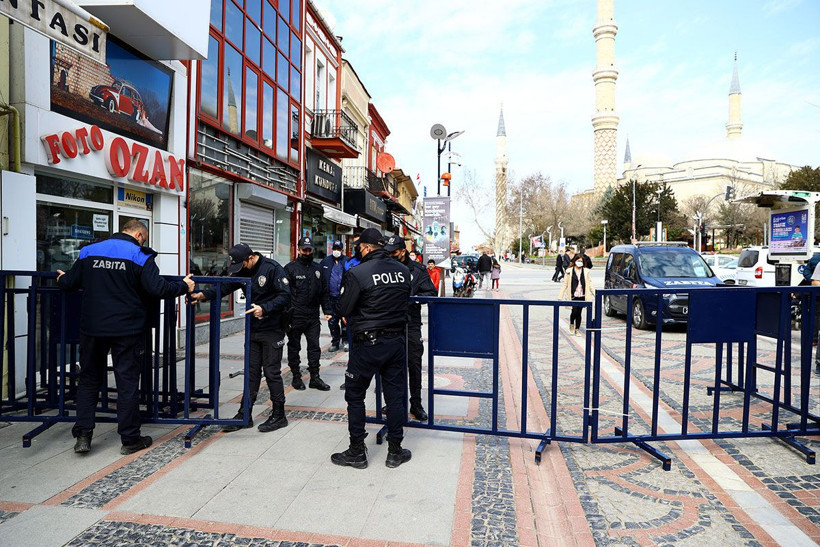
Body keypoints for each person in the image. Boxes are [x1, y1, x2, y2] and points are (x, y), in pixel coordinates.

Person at [56, 219, 195, 455]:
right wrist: (183, 285)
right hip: (127, 330)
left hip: (92, 328)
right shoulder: (140, 256)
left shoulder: (89, 251)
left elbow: (70, 282)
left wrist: (61, 279)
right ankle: (130, 439)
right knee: (127, 382)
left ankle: (83, 435)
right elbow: (158, 289)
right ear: (140, 235)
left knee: (89, 380)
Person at [331, 228, 412, 469]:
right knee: (395, 396)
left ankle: (357, 451)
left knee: (355, 394)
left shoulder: (358, 272)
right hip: (396, 341)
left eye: (359, 246)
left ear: (366, 248)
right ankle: (395, 452)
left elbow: (343, 309)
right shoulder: (404, 271)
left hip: (367, 344)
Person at [188, 243, 291, 433]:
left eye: (242, 265)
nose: (240, 269)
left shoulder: (272, 269)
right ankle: (245, 414)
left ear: (250, 258)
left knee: (271, 372)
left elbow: (285, 296)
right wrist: (203, 295)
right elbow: (226, 287)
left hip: (272, 328)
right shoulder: (242, 269)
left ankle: (279, 415)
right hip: (253, 328)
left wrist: (264, 308)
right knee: (251, 373)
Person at [384, 235, 438, 421]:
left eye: (394, 253)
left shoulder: (417, 269)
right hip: (389, 323)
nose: (391, 256)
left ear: (403, 251)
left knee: (414, 365)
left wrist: (411, 295)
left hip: (410, 324)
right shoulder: (384, 267)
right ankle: (393, 402)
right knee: (391, 366)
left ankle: (416, 403)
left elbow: (431, 292)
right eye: (388, 253)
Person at [284, 237, 331, 391]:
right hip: (295, 316)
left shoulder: (318, 269)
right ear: (298, 250)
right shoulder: (290, 269)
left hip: (312, 316)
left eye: (309, 249)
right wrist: (286, 315)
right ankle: (296, 376)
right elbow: (284, 295)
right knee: (294, 347)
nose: (307, 252)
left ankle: (315, 378)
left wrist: (327, 310)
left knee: (314, 347)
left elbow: (324, 292)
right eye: (304, 249)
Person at [319, 241, 347, 352]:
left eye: (338, 249)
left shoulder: (346, 261)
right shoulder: (325, 261)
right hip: (330, 297)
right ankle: (335, 341)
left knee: (344, 320)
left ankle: (346, 340)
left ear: (342, 250)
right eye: (335, 248)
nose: (336, 251)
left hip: (343, 298)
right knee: (332, 321)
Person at [558, 253, 596, 336]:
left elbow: (589, 284)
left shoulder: (586, 271)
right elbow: (565, 284)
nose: (580, 262)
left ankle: (577, 329)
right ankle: (571, 323)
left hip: (582, 295)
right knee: (574, 311)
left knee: (579, 313)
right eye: (578, 261)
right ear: (575, 261)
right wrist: (560, 296)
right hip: (573, 295)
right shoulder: (569, 271)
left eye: (581, 261)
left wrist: (595, 293)